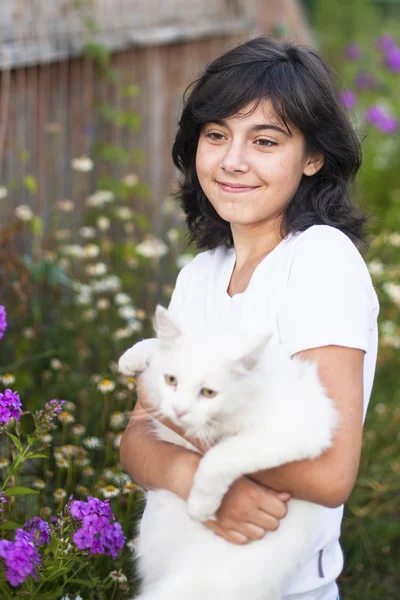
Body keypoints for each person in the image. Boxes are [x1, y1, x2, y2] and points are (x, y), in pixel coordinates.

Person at [120, 37, 379, 600]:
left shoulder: (319, 260)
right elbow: (136, 440)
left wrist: (205, 466)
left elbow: (331, 476)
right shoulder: (200, 275)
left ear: (313, 157)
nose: (233, 160)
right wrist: (197, 481)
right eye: (216, 135)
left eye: (265, 141)